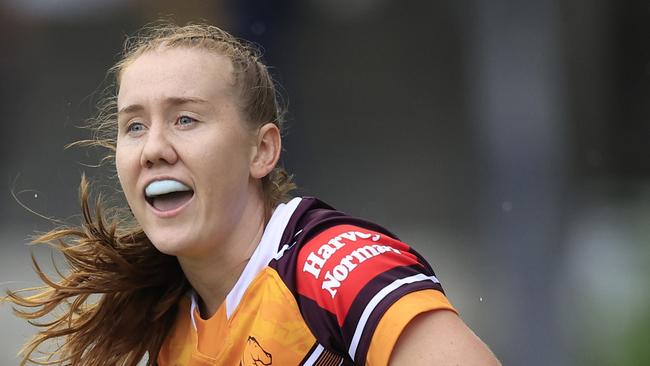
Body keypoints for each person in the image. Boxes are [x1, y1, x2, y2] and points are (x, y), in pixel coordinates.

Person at [5, 23, 500, 365]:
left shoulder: (333, 270)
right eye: (134, 126)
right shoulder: (173, 330)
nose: (153, 148)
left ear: (261, 151)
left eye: (186, 119)